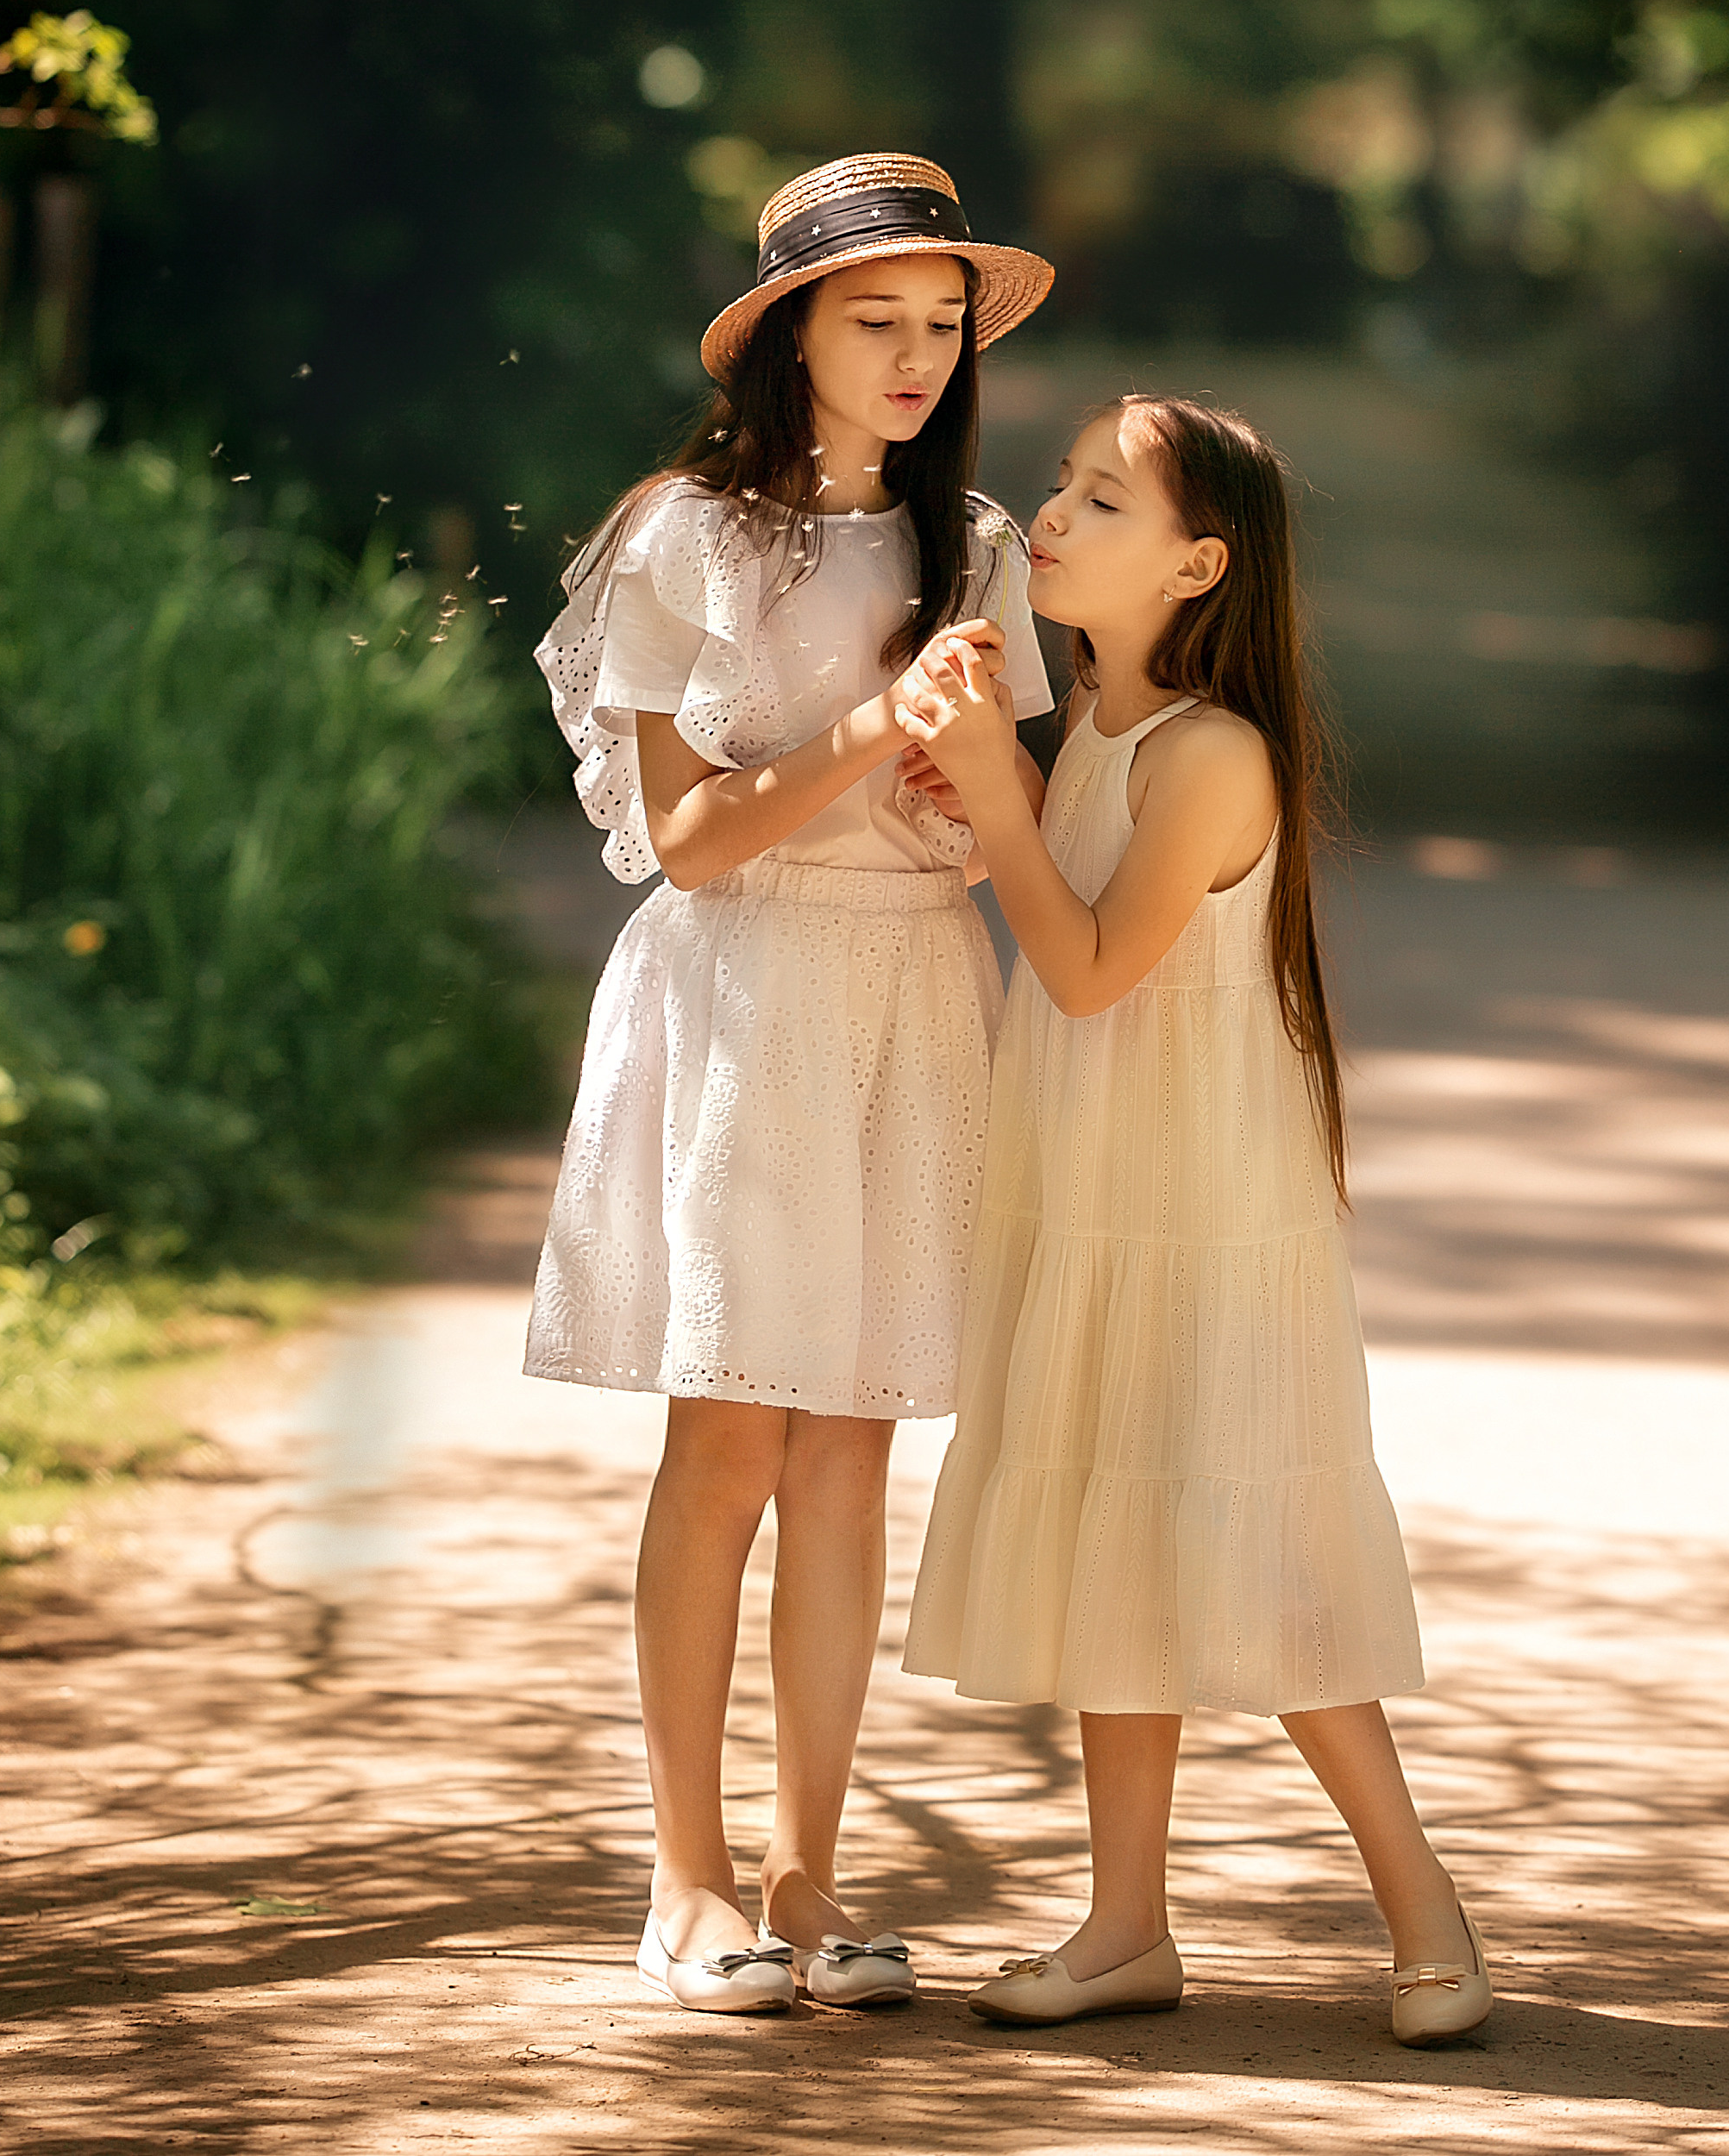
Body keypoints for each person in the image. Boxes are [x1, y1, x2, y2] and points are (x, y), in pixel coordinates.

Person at [523, 153, 1055, 2019]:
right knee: (732, 1439)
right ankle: (679, 1885)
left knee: (849, 1456)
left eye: (941, 322)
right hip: (747, 998)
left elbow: (1006, 829)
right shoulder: (688, 535)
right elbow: (685, 841)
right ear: (786, 334)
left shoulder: (976, 547)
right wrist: (861, 739)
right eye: (873, 319)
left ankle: (808, 1878)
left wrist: (963, 797)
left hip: (918, 992)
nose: (914, 356)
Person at [894, 392, 1491, 2046]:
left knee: (1258, 1548)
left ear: (1199, 563)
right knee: (1114, 1531)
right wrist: (986, 787)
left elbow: (1086, 972)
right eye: (1065, 488)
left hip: (1202, 1211)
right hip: (1093, 1192)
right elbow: (1047, 897)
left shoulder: (1212, 754)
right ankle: (1125, 1923)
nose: (1056, 519)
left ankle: (1428, 1913)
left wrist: (991, 795)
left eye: (1102, 499)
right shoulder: (1094, 723)